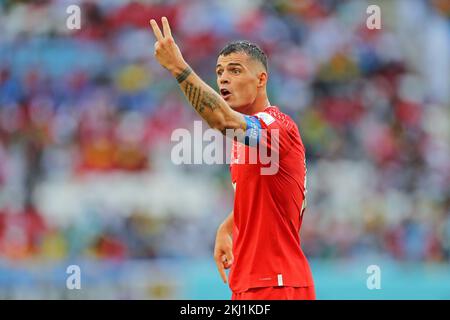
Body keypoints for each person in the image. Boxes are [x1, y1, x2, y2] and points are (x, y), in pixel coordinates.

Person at [150, 17, 315, 300]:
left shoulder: (277, 126)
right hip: (249, 283)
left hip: (277, 283)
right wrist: (228, 227)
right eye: (219, 71)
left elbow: (222, 120)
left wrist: (178, 67)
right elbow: (277, 197)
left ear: (261, 79)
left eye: (235, 70)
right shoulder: (246, 140)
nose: (224, 78)